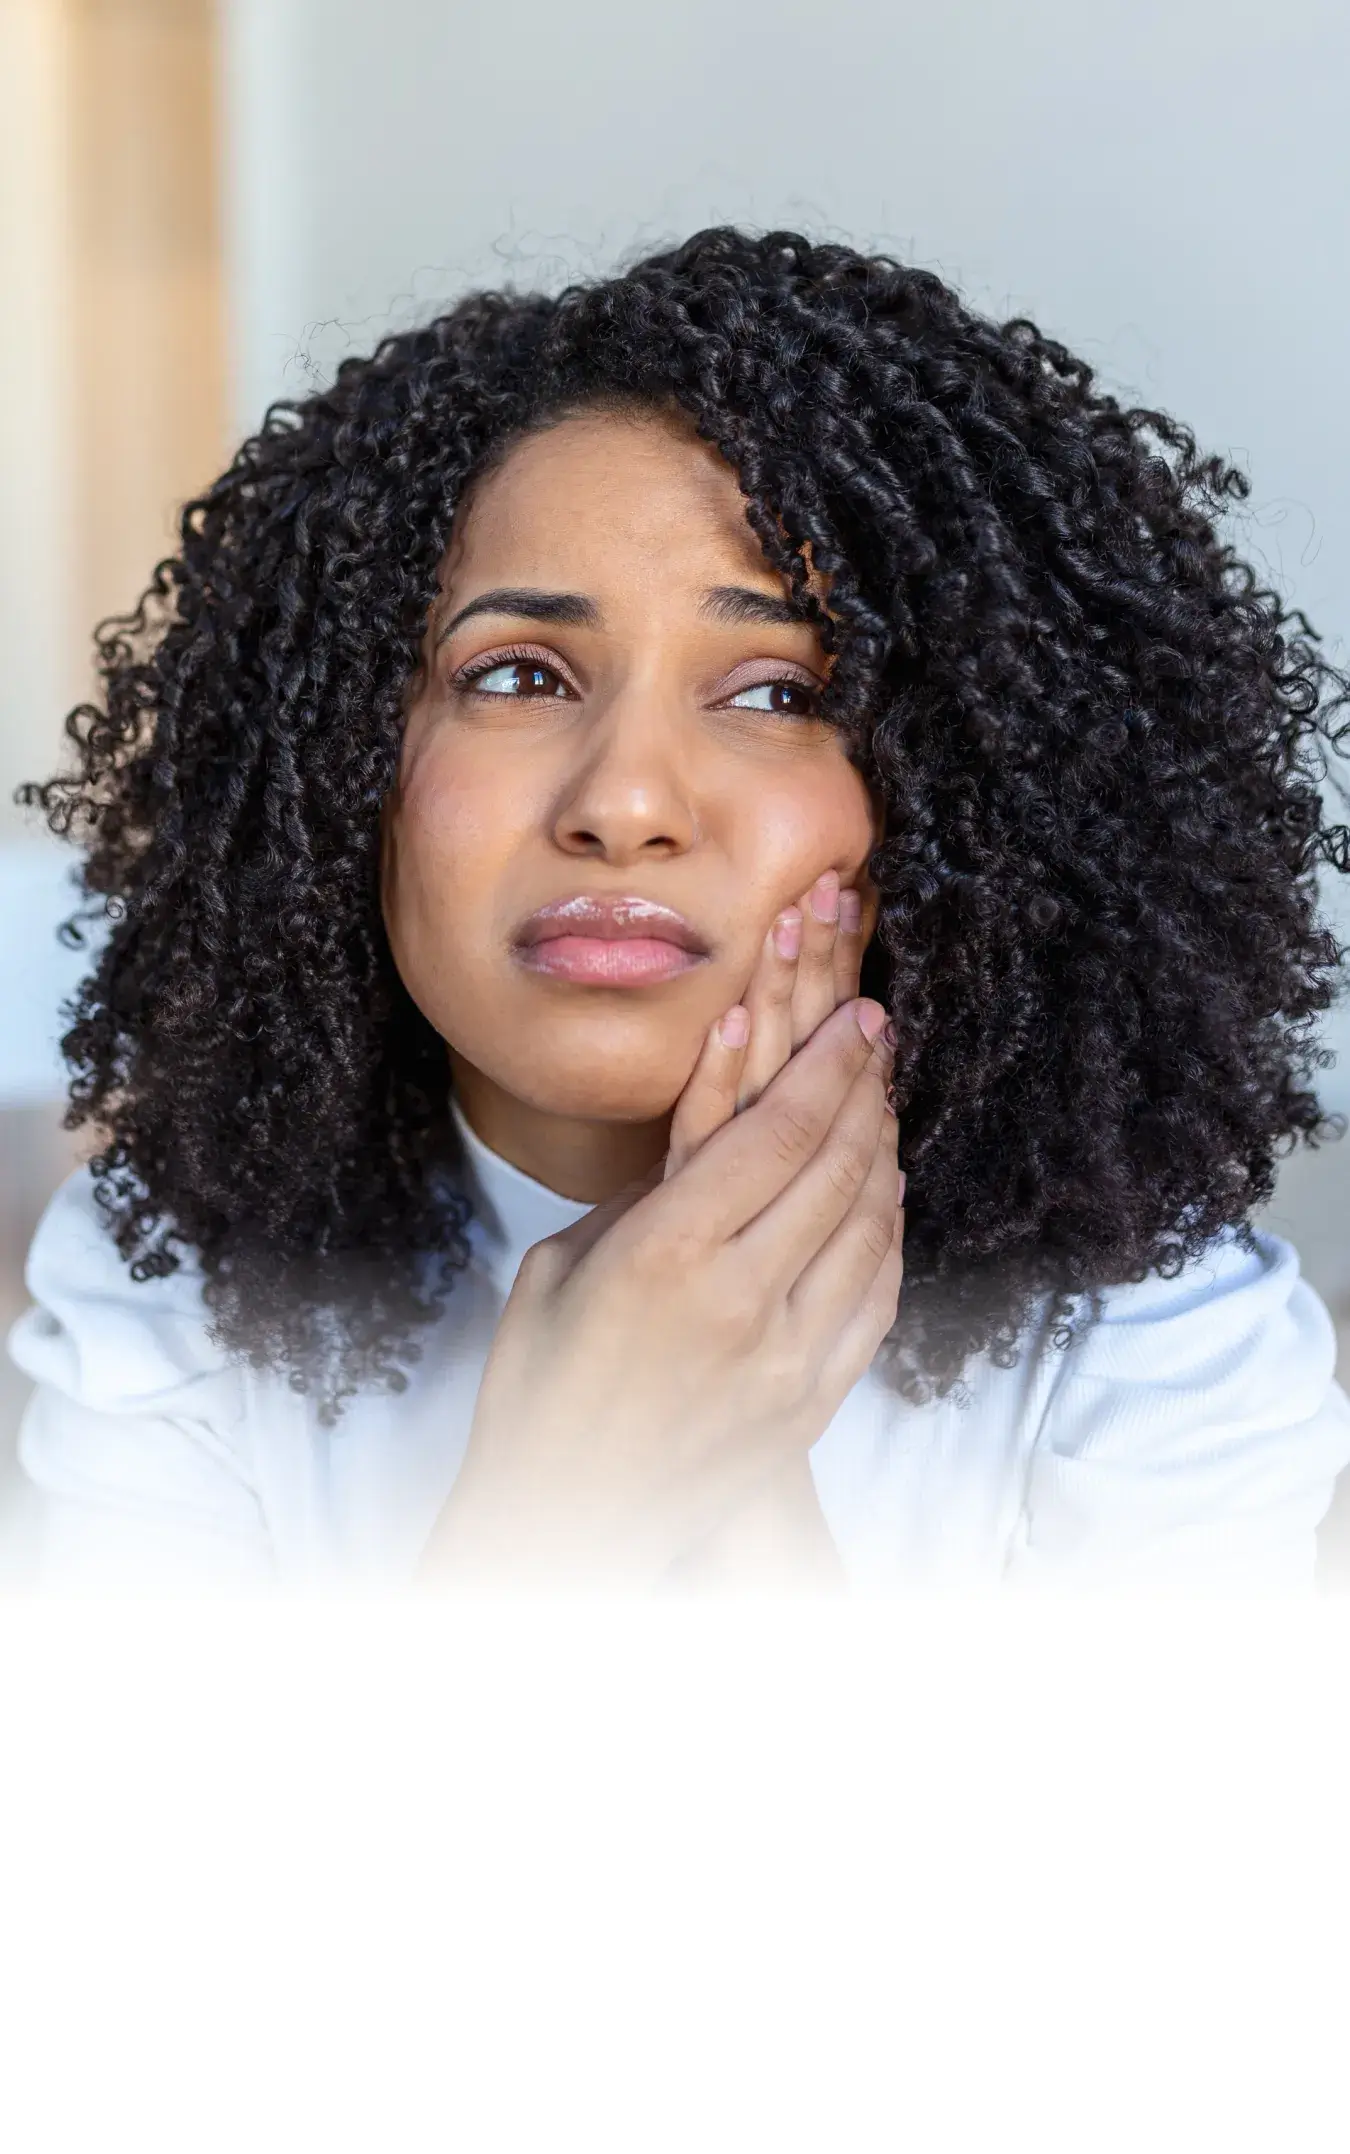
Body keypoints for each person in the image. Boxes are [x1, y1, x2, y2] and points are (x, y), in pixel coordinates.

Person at [9, 226, 1350, 1592]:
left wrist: (726, 1454)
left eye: (778, 691)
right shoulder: (165, 1298)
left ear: (973, 797)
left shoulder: (1153, 1336)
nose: (626, 799)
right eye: (519, 676)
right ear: (345, 762)